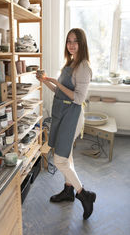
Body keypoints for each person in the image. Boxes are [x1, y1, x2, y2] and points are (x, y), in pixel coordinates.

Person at [36, 28, 96, 220]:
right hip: (63, 113)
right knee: (67, 156)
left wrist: (56, 81)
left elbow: (78, 98)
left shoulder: (84, 67)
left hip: (72, 115)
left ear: (82, 43)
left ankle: (83, 194)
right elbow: (59, 92)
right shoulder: (70, 63)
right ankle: (68, 191)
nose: (71, 44)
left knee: (60, 159)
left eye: (75, 41)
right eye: (69, 40)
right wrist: (45, 80)